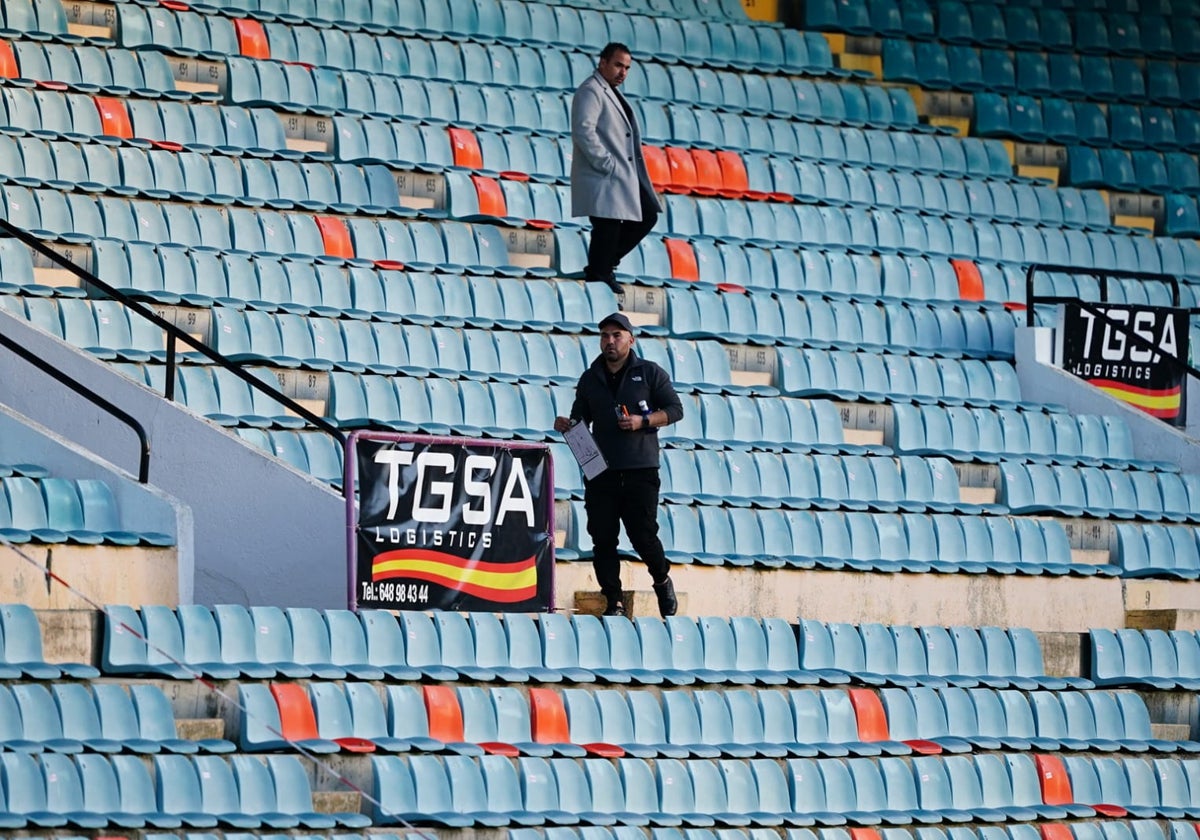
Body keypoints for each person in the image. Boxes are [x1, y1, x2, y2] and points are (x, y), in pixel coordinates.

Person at [554, 312, 683, 617]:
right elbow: (580, 419)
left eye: (616, 335)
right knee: (602, 538)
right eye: (605, 336)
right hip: (601, 472)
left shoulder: (649, 373)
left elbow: (675, 409)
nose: (610, 342)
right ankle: (613, 599)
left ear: (630, 339)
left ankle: (661, 579)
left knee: (643, 535)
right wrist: (567, 425)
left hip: (640, 469)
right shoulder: (590, 378)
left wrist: (644, 420)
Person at [570, 42, 662, 296]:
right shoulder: (591, 90)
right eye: (618, 65)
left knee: (646, 215)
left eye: (627, 68)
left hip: (619, 175)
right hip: (605, 175)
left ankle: (604, 265)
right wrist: (606, 163)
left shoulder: (608, 91)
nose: (623, 72)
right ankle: (599, 273)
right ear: (603, 63)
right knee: (607, 226)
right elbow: (583, 130)